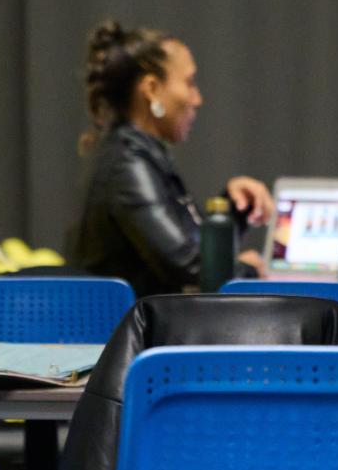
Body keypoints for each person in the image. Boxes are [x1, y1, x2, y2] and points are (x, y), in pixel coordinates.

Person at [69, 20, 274, 298]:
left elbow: (192, 252)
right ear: (152, 89)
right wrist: (247, 271)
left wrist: (232, 210)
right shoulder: (128, 163)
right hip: (131, 338)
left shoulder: (138, 153)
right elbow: (192, 268)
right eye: (189, 83)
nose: (197, 99)